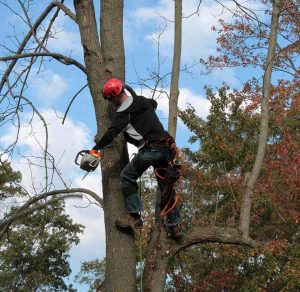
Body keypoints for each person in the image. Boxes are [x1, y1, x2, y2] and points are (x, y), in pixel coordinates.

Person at [92, 78, 182, 238]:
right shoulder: (142, 101)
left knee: (126, 177)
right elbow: (153, 103)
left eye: (110, 100)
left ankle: (135, 218)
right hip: (168, 148)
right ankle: (175, 226)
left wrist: (95, 149)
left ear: (113, 97)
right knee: (165, 187)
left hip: (151, 149)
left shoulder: (123, 114)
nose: (112, 103)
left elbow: (111, 134)